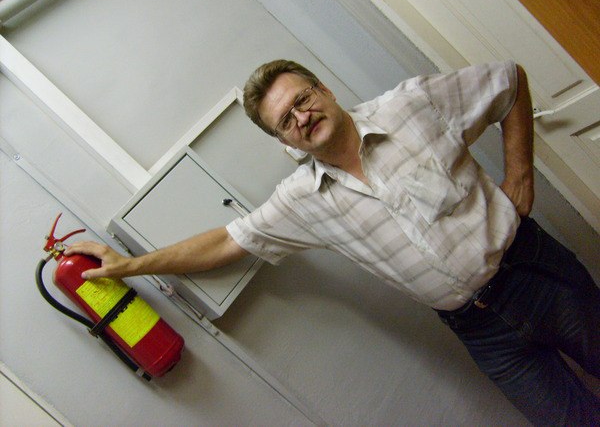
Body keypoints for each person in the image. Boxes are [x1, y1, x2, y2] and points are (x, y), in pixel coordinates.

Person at [66, 59, 600, 425]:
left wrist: (520, 174)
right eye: (286, 120)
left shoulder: (410, 106)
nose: (302, 117)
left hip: (536, 277)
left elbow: (509, 80)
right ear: (283, 140)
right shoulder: (303, 200)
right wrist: (126, 265)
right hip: (484, 334)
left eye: (303, 99)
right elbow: (225, 243)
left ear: (324, 90)